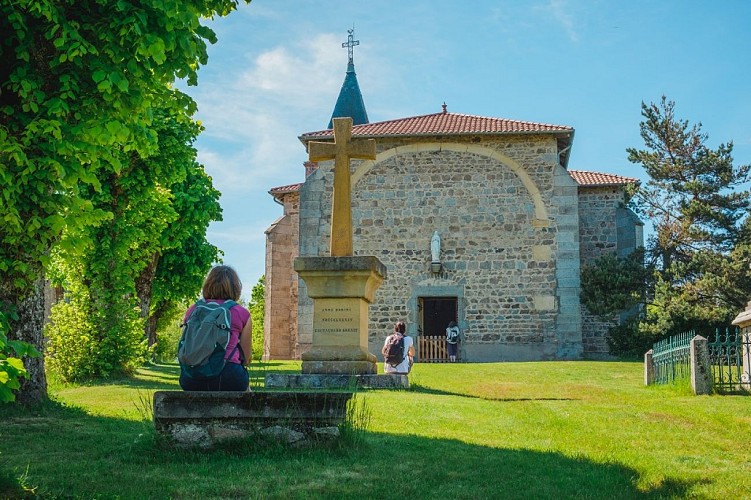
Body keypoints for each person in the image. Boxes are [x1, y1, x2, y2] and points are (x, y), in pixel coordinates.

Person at [179, 265, 252, 391]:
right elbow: (246, 358)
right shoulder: (242, 313)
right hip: (228, 376)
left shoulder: (193, 310)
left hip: (191, 377)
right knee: (246, 388)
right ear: (236, 288)